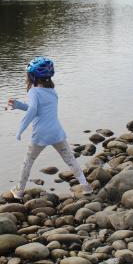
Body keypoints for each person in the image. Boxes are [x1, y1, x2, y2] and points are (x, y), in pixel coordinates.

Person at [7, 56, 93, 199]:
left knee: (28, 162)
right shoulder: (52, 91)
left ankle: (19, 190)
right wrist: (19, 105)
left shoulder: (33, 91)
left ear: (33, 76)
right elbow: (38, 109)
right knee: (70, 159)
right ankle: (85, 186)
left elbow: (33, 111)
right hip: (56, 132)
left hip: (40, 134)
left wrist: (20, 129)